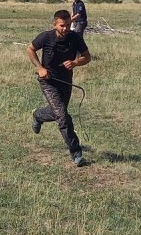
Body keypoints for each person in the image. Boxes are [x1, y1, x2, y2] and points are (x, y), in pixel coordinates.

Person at [28, 9, 92, 166]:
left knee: (58, 112)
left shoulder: (75, 37)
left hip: (66, 81)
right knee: (62, 116)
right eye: (62, 25)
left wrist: (75, 62)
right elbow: (30, 49)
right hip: (48, 81)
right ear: (54, 24)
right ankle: (76, 152)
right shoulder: (45, 37)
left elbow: (87, 57)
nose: (65, 29)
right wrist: (40, 68)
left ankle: (38, 115)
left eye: (68, 25)